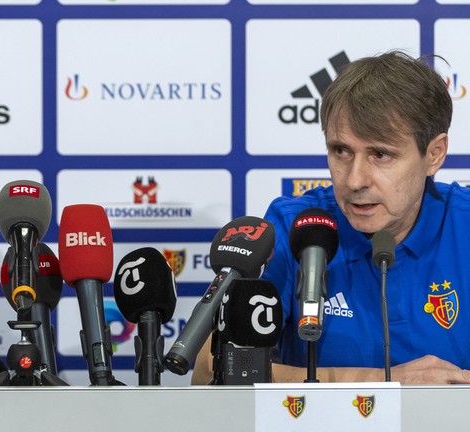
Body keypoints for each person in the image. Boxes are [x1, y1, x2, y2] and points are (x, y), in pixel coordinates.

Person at [193, 51, 470, 385]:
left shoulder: (463, 225)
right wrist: (384, 383)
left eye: (380, 154)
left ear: (434, 154)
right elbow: (209, 369)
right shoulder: (295, 225)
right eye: (341, 151)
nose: (354, 180)